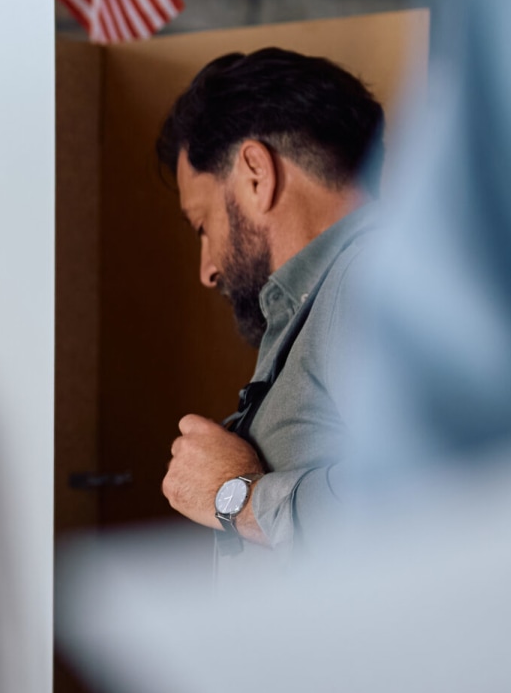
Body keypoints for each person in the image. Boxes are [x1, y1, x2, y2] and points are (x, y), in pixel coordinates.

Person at [154, 49, 385, 553]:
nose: (207, 268)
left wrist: (237, 498)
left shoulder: (365, 280)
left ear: (256, 173)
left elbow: (433, 502)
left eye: (202, 226)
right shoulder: (332, 293)